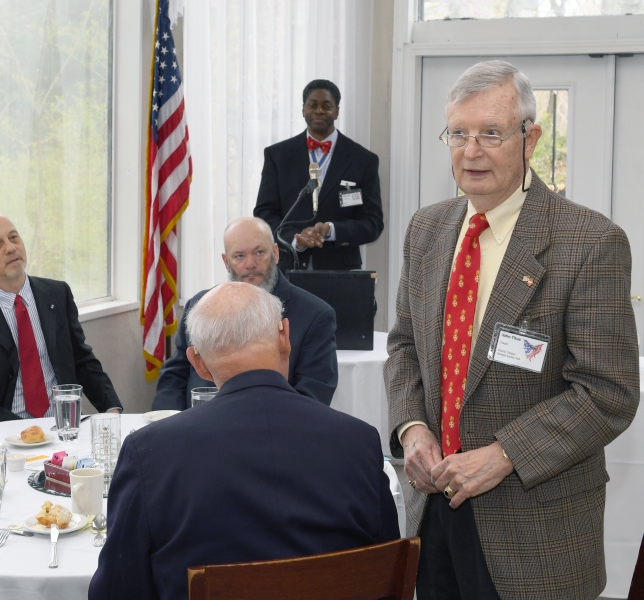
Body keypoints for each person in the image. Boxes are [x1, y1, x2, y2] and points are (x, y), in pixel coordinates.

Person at [384, 60, 639, 600]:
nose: (471, 151)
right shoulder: (426, 229)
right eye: (458, 133)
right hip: (433, 515)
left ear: (531, 138)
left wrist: (503, 455)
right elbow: (404, 344)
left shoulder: (589, 242)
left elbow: (608, 392)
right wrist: (412, 428)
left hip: (535, 531)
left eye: (491, 133)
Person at [91, 282, 399, 600]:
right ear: (284, 338)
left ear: (197, 362)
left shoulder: (149, 453)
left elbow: (117, 590)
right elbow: (387, 571)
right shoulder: (359, 441)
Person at [0, 214, 122, 425]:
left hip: (66, 427)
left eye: (13, 237)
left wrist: (111, 408)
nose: (10, 248)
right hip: (6, 433)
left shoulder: (57, 294)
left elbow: (81, 359)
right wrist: (27, 430)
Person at [152, 217, 338, 410]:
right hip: (196, 422)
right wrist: (169, 420)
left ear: (275, 253)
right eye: (239, 256)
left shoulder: (315, 315)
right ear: (226, 262)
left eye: (259, 252)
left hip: (273, 426)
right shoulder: (200, 306)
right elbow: (175, 375)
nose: (250, 264)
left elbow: (312, 399)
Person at [254, 79, 383, 271]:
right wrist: (295, 239)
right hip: (288, 268)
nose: (319, 111)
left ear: (337, 111)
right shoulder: (277, 155)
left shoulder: (363, 160)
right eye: (313, 105)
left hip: (340, 272)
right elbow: (264, 214)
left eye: (327, 106)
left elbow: (373, 223)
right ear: (303, 110)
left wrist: (331, 230)